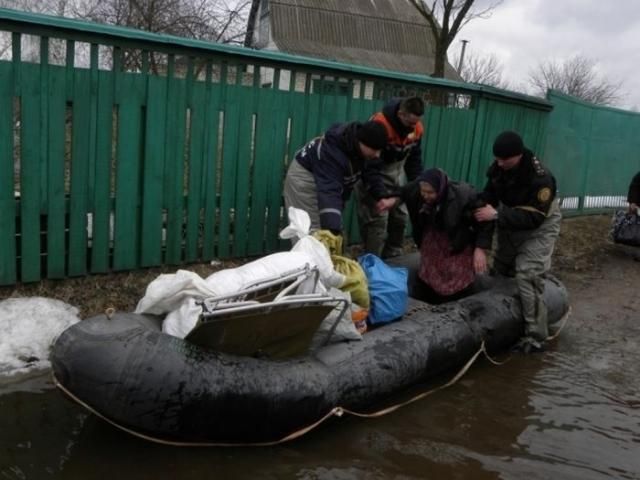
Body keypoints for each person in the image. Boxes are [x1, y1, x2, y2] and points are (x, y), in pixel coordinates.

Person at [474, 131, 561, 353]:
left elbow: (535, 218)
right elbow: (487, 202)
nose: (500, 163)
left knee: (527, 272)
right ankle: (504, 318)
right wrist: (481, 246)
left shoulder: (540, 179)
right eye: (498, 159)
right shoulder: (498, 171)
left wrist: (496, 215)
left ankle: (535, 335)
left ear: (519, 155)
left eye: (506, 159)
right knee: (502, 268)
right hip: (510, 218)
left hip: (540, 224)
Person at [283, 121, 396, 235]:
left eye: (380, 150)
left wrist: (381, 194)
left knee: (330, 231)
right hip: (305, 179)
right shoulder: (332, 153)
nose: (378, 155)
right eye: (375, 150)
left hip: (327, 182)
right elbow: (329, 191)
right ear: (361, 143)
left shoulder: (362, 150)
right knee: (312, 233)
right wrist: (332, 229)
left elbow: (370, 173)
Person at [401, 168, 492, 304]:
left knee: (454, 274)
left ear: (441, 188)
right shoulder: (417, 193)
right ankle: (431, 298)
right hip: (433, 239)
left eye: (430, 192)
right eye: (423, 192)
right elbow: (401, 191)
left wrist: (480, 248)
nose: (425, 196)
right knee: (430, 272)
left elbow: (484, 220)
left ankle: (456, 300)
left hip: (457, 240)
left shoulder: (464, 195)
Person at [355, 96, 425, 258]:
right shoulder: (380, 124)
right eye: (410, 123)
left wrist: (416, 185)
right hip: (374, 175)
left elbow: (414, 160)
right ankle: (372, 260)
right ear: (401, 114)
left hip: (396, 173)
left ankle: (394, 256)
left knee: (400, 216)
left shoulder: (417, 129)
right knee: (377, 221)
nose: (413, 127)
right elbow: (369, 166)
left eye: (417, 122)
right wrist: (380, 195)